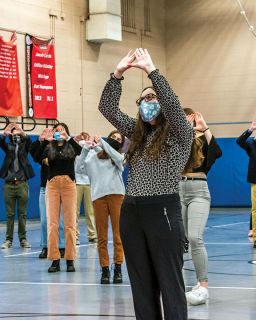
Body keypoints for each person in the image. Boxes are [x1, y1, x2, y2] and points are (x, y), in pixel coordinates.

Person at [99, 48, 193, 320]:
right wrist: (117, 75)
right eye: (142, 99)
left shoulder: (179, 134)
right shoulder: (136, 134)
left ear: (162, 104)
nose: (147, 102)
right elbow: (106, 108)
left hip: (162, 210)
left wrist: (152, 72)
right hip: (132, 211)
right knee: (141, 284)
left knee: (169, 282)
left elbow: (175, 106)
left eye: (152, 97)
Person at [180, 108, 222, 305]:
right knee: (178, 239)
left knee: (195, 237)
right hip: (177, 189)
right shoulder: (176, 139)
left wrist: (204, 128)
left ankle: (203, 285)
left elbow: (217, 152)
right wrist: (185, 130)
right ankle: (173, 284)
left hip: (199, 189)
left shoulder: (203, 141)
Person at [75, 130, 126, 284]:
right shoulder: (92, 157)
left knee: (118, 235)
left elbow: (118, 158)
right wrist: (86, 148)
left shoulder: (118, 157)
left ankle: (118, 268)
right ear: (108, 137)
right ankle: (104, 269)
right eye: (113, 137)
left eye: (119, 139)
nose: (115, 140)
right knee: (101, 236)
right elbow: (79, 168)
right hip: (98, 198)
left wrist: (103, 142)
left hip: (117, 195)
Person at [41, 123, 82, 272]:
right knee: (52, 224)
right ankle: (55, 260)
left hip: (68, 184)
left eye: (62, 130)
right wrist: (45, 139)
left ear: (66, 132)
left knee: (70, 224)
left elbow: (80, 150)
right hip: (52, 184)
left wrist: (68, 138)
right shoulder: (49, 147)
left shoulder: (71, 145)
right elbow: (37, 156)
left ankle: (70, 259)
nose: (59, 132)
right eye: (56, 130)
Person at [30, 128, 65, 259]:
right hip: (45, 187)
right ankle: (46, 246)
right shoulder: (46, 147)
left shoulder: (66, 148)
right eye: (54, 131)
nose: (54, 134)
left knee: (60, 221)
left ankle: (62, 246)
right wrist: (43, 141)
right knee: (45, 220)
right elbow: (36, 157)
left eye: (59, 132)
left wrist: (62, 141)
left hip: (61, 188)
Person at [0, 123, 34, 249]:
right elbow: (0, 142)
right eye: (13, 133)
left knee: (22, 214)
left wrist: (22, 131)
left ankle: (23, 239)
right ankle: (8, 240)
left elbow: (30, 142)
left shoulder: (25, 148)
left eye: (17, 133)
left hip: (22, 184)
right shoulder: (8, 147)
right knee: (10, 215)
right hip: (9, 185)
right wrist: (6, 132)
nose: (15, 135)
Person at [74, 132, 97, 245]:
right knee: (75, 211)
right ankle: (75, 235)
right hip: (77, 183)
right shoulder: (75, 150)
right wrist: (76, 141)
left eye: (85, 138)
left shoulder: (92, 151)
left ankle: (92, 235)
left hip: (89, 183)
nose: (83, 141)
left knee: (90, 211)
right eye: (81, 139)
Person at [237, 120, 256, 249]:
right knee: (255, 209)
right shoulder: (251, 143)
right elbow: (239, 141)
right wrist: (250, 130)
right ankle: (255, 234)